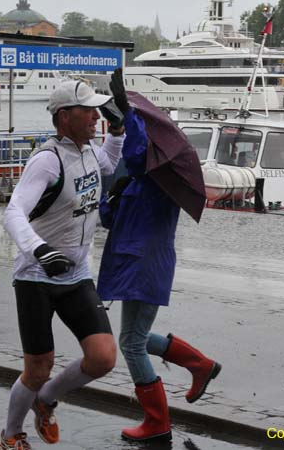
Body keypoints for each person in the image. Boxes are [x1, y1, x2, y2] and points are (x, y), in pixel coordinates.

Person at [0, 80, 125, 450]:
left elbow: (111, 160)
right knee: (38, 367)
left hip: (77, 273)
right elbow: (13, 212)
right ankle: (10, 436)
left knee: (102, 358)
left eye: (99, 111)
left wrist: (117, 131)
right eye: (89, 111)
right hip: (37, 277)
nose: (96, 117)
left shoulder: (89, 152)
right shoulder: (47, 160)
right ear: (65, 116)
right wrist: (39, 249)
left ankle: (47, 400)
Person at [97, 69, 222, 442]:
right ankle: (199, 364)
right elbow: (110, 220)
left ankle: (156, 422)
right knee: (133, 336)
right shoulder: (138, 180)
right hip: (132, 261)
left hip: (145, 264)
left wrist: (129, 116)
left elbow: (136, 156)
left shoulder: (160, 177)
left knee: (131, 344)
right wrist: (111, 194)